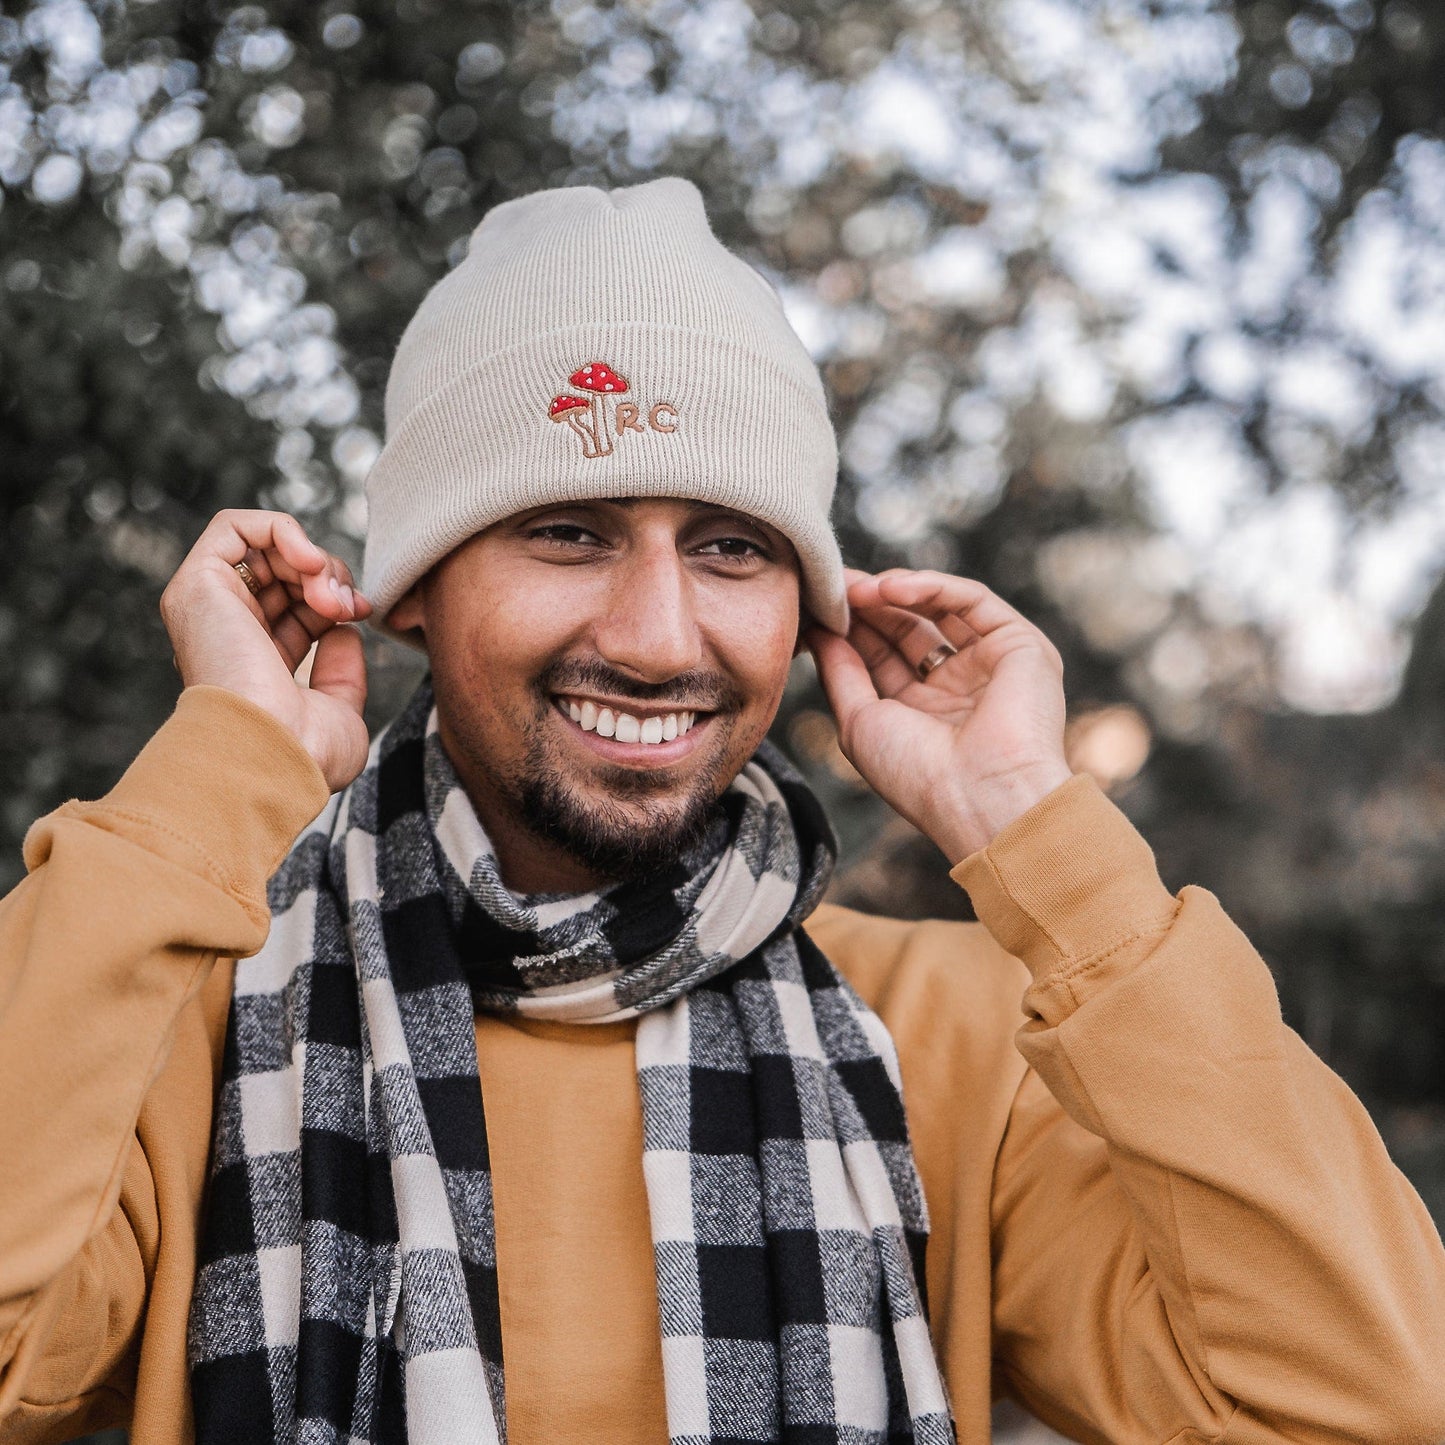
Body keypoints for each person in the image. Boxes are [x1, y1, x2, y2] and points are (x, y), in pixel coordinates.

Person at [0, 177, 1442, 1445]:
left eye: (732, 547)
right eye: (568, 529)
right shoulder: (184, 1008)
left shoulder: (959, 1037)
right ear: (411, 591)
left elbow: (1363, 1397)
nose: (656, 632)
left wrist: (1034, 822)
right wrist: (220, 766)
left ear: (807, 609)